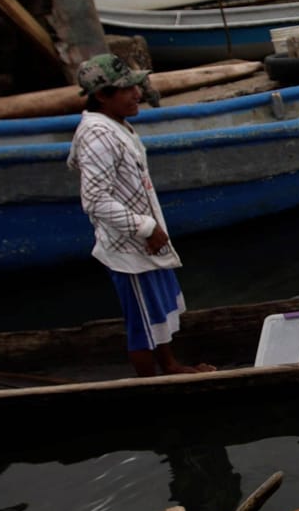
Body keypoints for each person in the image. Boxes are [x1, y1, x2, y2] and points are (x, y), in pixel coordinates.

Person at [67, 54, 210, 376]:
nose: (137, 94)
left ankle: (170, 365)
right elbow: (94, 199)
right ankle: (151, 382)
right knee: (142, 326)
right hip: (129, 247)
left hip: (144, 241)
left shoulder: (116, 124)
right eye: (126, 90)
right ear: (102, 96)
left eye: (136, 86)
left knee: (155, 315)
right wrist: (145, 227)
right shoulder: (99, 135)